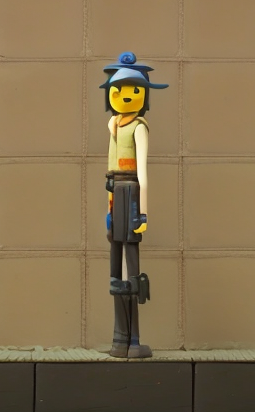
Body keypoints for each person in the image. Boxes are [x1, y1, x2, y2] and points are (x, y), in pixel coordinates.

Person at [102, 52, 168, 358]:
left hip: (130, 194)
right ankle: (120, 339)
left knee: (132, 266)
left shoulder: (139, 127)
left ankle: (134, 340)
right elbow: (110, 174)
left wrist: (143, 212)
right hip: (116, 194)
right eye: (119, 90)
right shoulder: (114, 125)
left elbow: (143, 173)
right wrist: (109, 209)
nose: (125, 96)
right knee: (116, 268)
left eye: (134, 90)